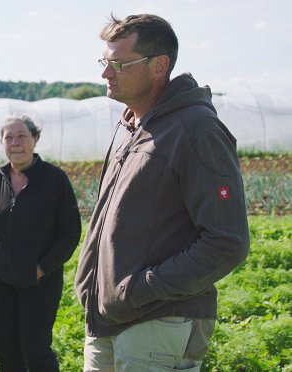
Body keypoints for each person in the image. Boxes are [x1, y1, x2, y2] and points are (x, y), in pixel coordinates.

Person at [74, 14, 250, 371]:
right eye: (105, 62)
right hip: (107, 316)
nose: (106, 74)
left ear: (159, 67)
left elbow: (226, 242)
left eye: (118, 64)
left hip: (157, 322)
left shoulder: (197, 130)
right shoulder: (130, 124)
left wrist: (141, 289)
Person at [0, 114, 82, 371]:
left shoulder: (54, 179)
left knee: (35, 349)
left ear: (35, 139)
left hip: (40, 281)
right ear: (2, 143)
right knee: (5, 350)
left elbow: (70, 233)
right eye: (9, 137)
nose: (16, 142)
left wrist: (41, 268)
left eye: (22, 136)